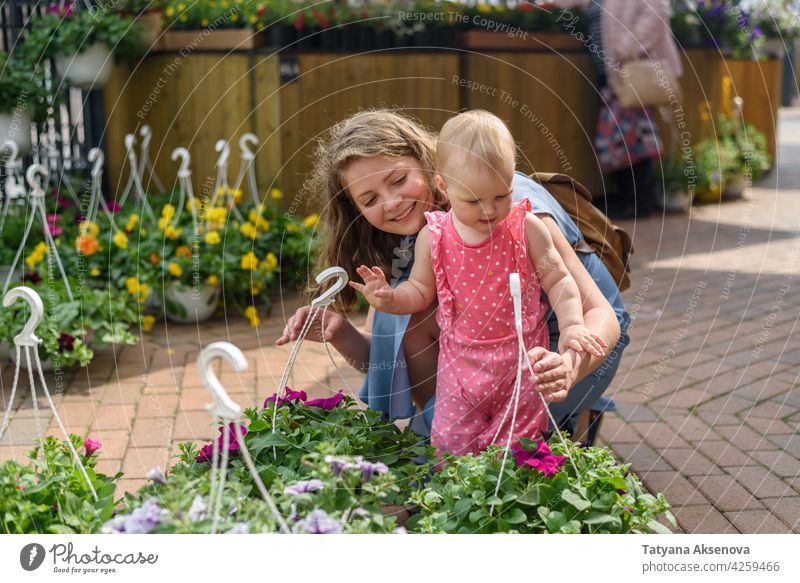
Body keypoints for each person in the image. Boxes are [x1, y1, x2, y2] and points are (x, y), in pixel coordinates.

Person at [276, 110, 628, 446]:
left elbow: (602, 316)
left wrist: (568, 365)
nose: (392, 201)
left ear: (428, 166)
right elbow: (389, 357)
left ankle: (566, 409)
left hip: (577, 345)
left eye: (398, 179)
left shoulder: (502, 202)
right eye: (370, 200)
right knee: (397, 310)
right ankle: (452, 423)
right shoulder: (421, 239)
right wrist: (339, 332)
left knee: (480, 452)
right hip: (485, 364)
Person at [587, 0, 683, 219]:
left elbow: (658, 10)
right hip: (614, 75)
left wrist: (627, 46)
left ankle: (639, 202)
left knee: (633, 137)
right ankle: (631, 198)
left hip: (631, 69)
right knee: (621, 137)